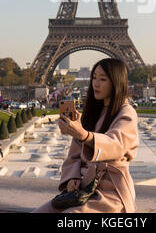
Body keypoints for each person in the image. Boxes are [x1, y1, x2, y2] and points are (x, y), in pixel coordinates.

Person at [33, 58, 139, 213]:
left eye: (102, 79)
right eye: (94, 78)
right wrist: (72, 178)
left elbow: (116, 144)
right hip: (83, 189)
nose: (96, 83)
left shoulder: (127, 112)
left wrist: (85, 136)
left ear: (116, 82)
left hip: (111, 192)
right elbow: (75, 156)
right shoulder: (93, 113)